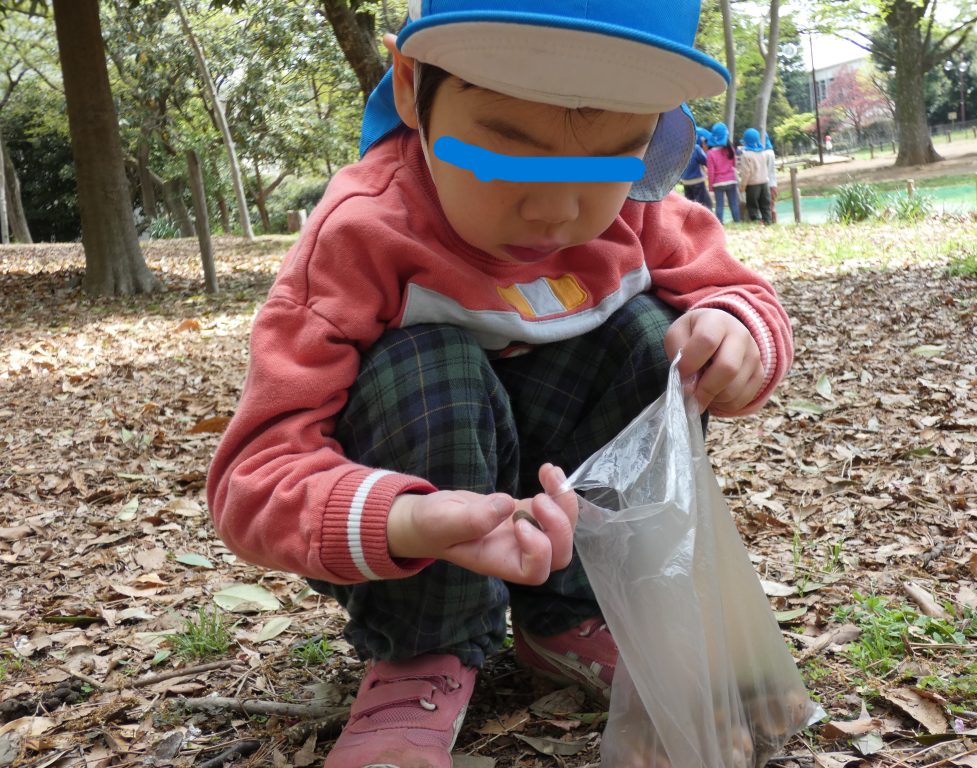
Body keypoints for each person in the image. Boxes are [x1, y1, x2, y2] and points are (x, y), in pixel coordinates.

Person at [207, 2, 794, 766]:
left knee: (656, 340)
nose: (556, 207)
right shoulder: (362, 234)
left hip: (563, 484)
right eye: (507, 151)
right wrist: (407, 519)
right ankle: (422, 649)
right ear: (414, 86)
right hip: (420, 497)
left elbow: (743, 294)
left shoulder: (638, 212)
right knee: (428, 364)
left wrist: (735, 339)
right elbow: (255, 476)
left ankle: (571, 613)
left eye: (610, 159)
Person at [706, 121, 741, 223]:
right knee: (733, 203)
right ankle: (737, 221)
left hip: (718, 182)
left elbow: (711, 172)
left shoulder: (710, 153)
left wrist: (711, 186)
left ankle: (720, 223)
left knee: (719, 205)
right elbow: (734, 164)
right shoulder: (730, 149)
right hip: (731, 180)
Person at [738, 128, 772, 225]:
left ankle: (756, 223)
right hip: (765, 183)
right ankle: (768, 223)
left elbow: (746, 173)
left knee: (753, 206)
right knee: (765, 205)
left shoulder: (746, 155)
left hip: (753, 185)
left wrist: (743, 186)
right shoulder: (763, 153)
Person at [680, 126, 713, 210]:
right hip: (697, 179)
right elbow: (705, 161)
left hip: (685, 180)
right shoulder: (696, 148)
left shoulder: (680, 149)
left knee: (690, 204)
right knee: (705, 203)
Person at [764, 133, 779, 223]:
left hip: (766, 183)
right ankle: (774, 222)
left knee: (767, 206)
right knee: (772, 205)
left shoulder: (764, 153)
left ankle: (769, 222)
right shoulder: (771, 152)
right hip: (773, 183)